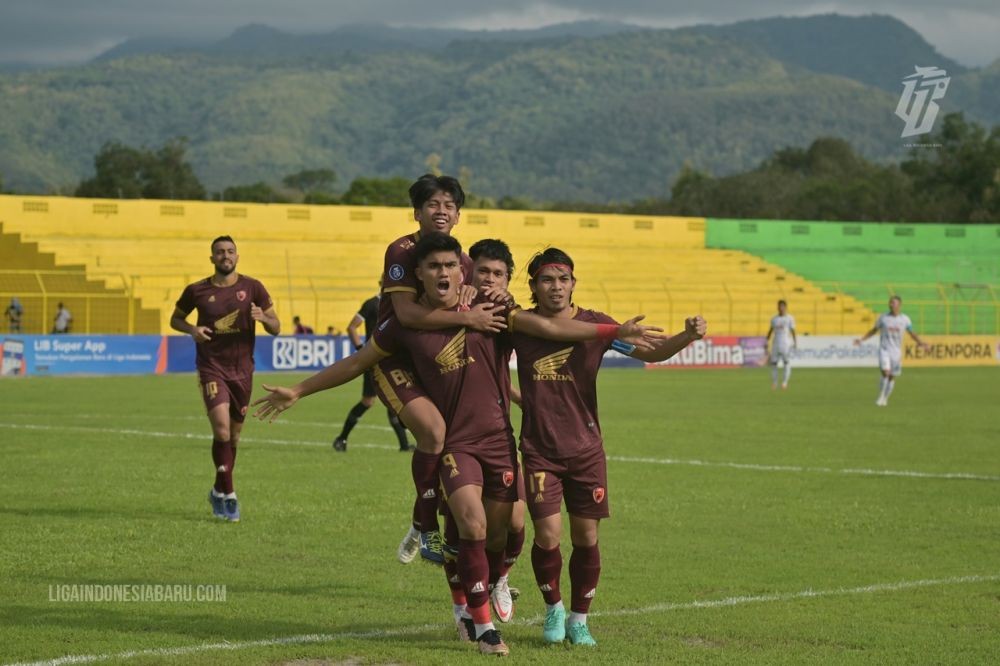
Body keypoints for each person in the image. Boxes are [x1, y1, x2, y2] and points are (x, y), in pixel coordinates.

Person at [251, 233, 662, 656]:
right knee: (472, 526)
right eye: (434, 267)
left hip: (501, 442)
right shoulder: (403, 326)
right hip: (457, 443)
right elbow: (357, 362)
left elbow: (548, 326)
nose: (443, 273)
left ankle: (493, 578)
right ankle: (482, 627)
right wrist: (299, 390)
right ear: (419, 275)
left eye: (450, 266)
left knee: (501, 535)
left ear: (459, 270)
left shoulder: (494, 310)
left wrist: (613, 332)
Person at [511, 247, 706, 647]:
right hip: (539, 449)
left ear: (573, 284)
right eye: (547, 280)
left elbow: (653, 352)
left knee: (586, 539)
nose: (556, 287)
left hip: (585, 450)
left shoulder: (597, 324)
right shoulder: (523, 324)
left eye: (563, 279)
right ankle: (553, 608)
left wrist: (687, 335)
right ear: (533, 286)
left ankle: (579, 620)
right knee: (547, 535)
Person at [376, 174, 505, 566]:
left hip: (439, 360)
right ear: (416, 212)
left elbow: (484, 295)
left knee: (453, 449)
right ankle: (428, 528)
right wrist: (466, 320)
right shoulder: (401, 251)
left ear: (459, 215)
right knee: (433, 433)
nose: (441, 211)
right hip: (395, 356)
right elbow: (407, 314)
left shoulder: (462, 259)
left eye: (449, 205)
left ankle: (424, 527)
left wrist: (500, 295)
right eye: (433, 204)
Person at [170, 235, 281, 522]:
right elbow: (176, 319)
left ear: (237, 257)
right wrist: (192, 330)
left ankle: (218, 489)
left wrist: (265, 318)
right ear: (212, 258)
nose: (225, 256)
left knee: (233, 436)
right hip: (211, 367)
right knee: (221, 430)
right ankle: (230, 496)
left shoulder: (253, 287)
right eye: (220, 252)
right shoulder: (196, 290)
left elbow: (276, 327)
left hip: (243, 371)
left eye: (230, 251)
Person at [332, 292, 411, 452]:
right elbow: (352, 326)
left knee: (393, 401)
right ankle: (342, 438)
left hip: (392, 360)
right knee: (368, 401)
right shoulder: (372, 304)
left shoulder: (399, 302)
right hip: (374, 361)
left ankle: (404, 445)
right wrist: (361, 350)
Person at [854, 295, 929, 406]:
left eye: (893, 303)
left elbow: (912, 333)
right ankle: (880, 396)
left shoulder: (905, 319)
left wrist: (921, 343)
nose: (890, 304)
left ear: (899, 305)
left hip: (896, 352)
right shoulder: (883, 317)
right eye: (890, 302)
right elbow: (874, 330)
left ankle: (885, 398)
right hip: (884, 350)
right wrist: (861, 339)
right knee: (885, 372)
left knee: (891, 377)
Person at [766, 299, 797, 390]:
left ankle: (784, 383)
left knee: (786, 363)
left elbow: (792, 331)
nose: (781, 308)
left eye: (782, 306)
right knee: (774, 364)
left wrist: (795, 342)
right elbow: (770, 331)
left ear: (785, 307)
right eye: (779, 306)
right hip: (775, 344)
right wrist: (766, 341)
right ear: (777, 307)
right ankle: (775, 383)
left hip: (785, 344)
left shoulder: (790, 318)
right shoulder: (774, 319)